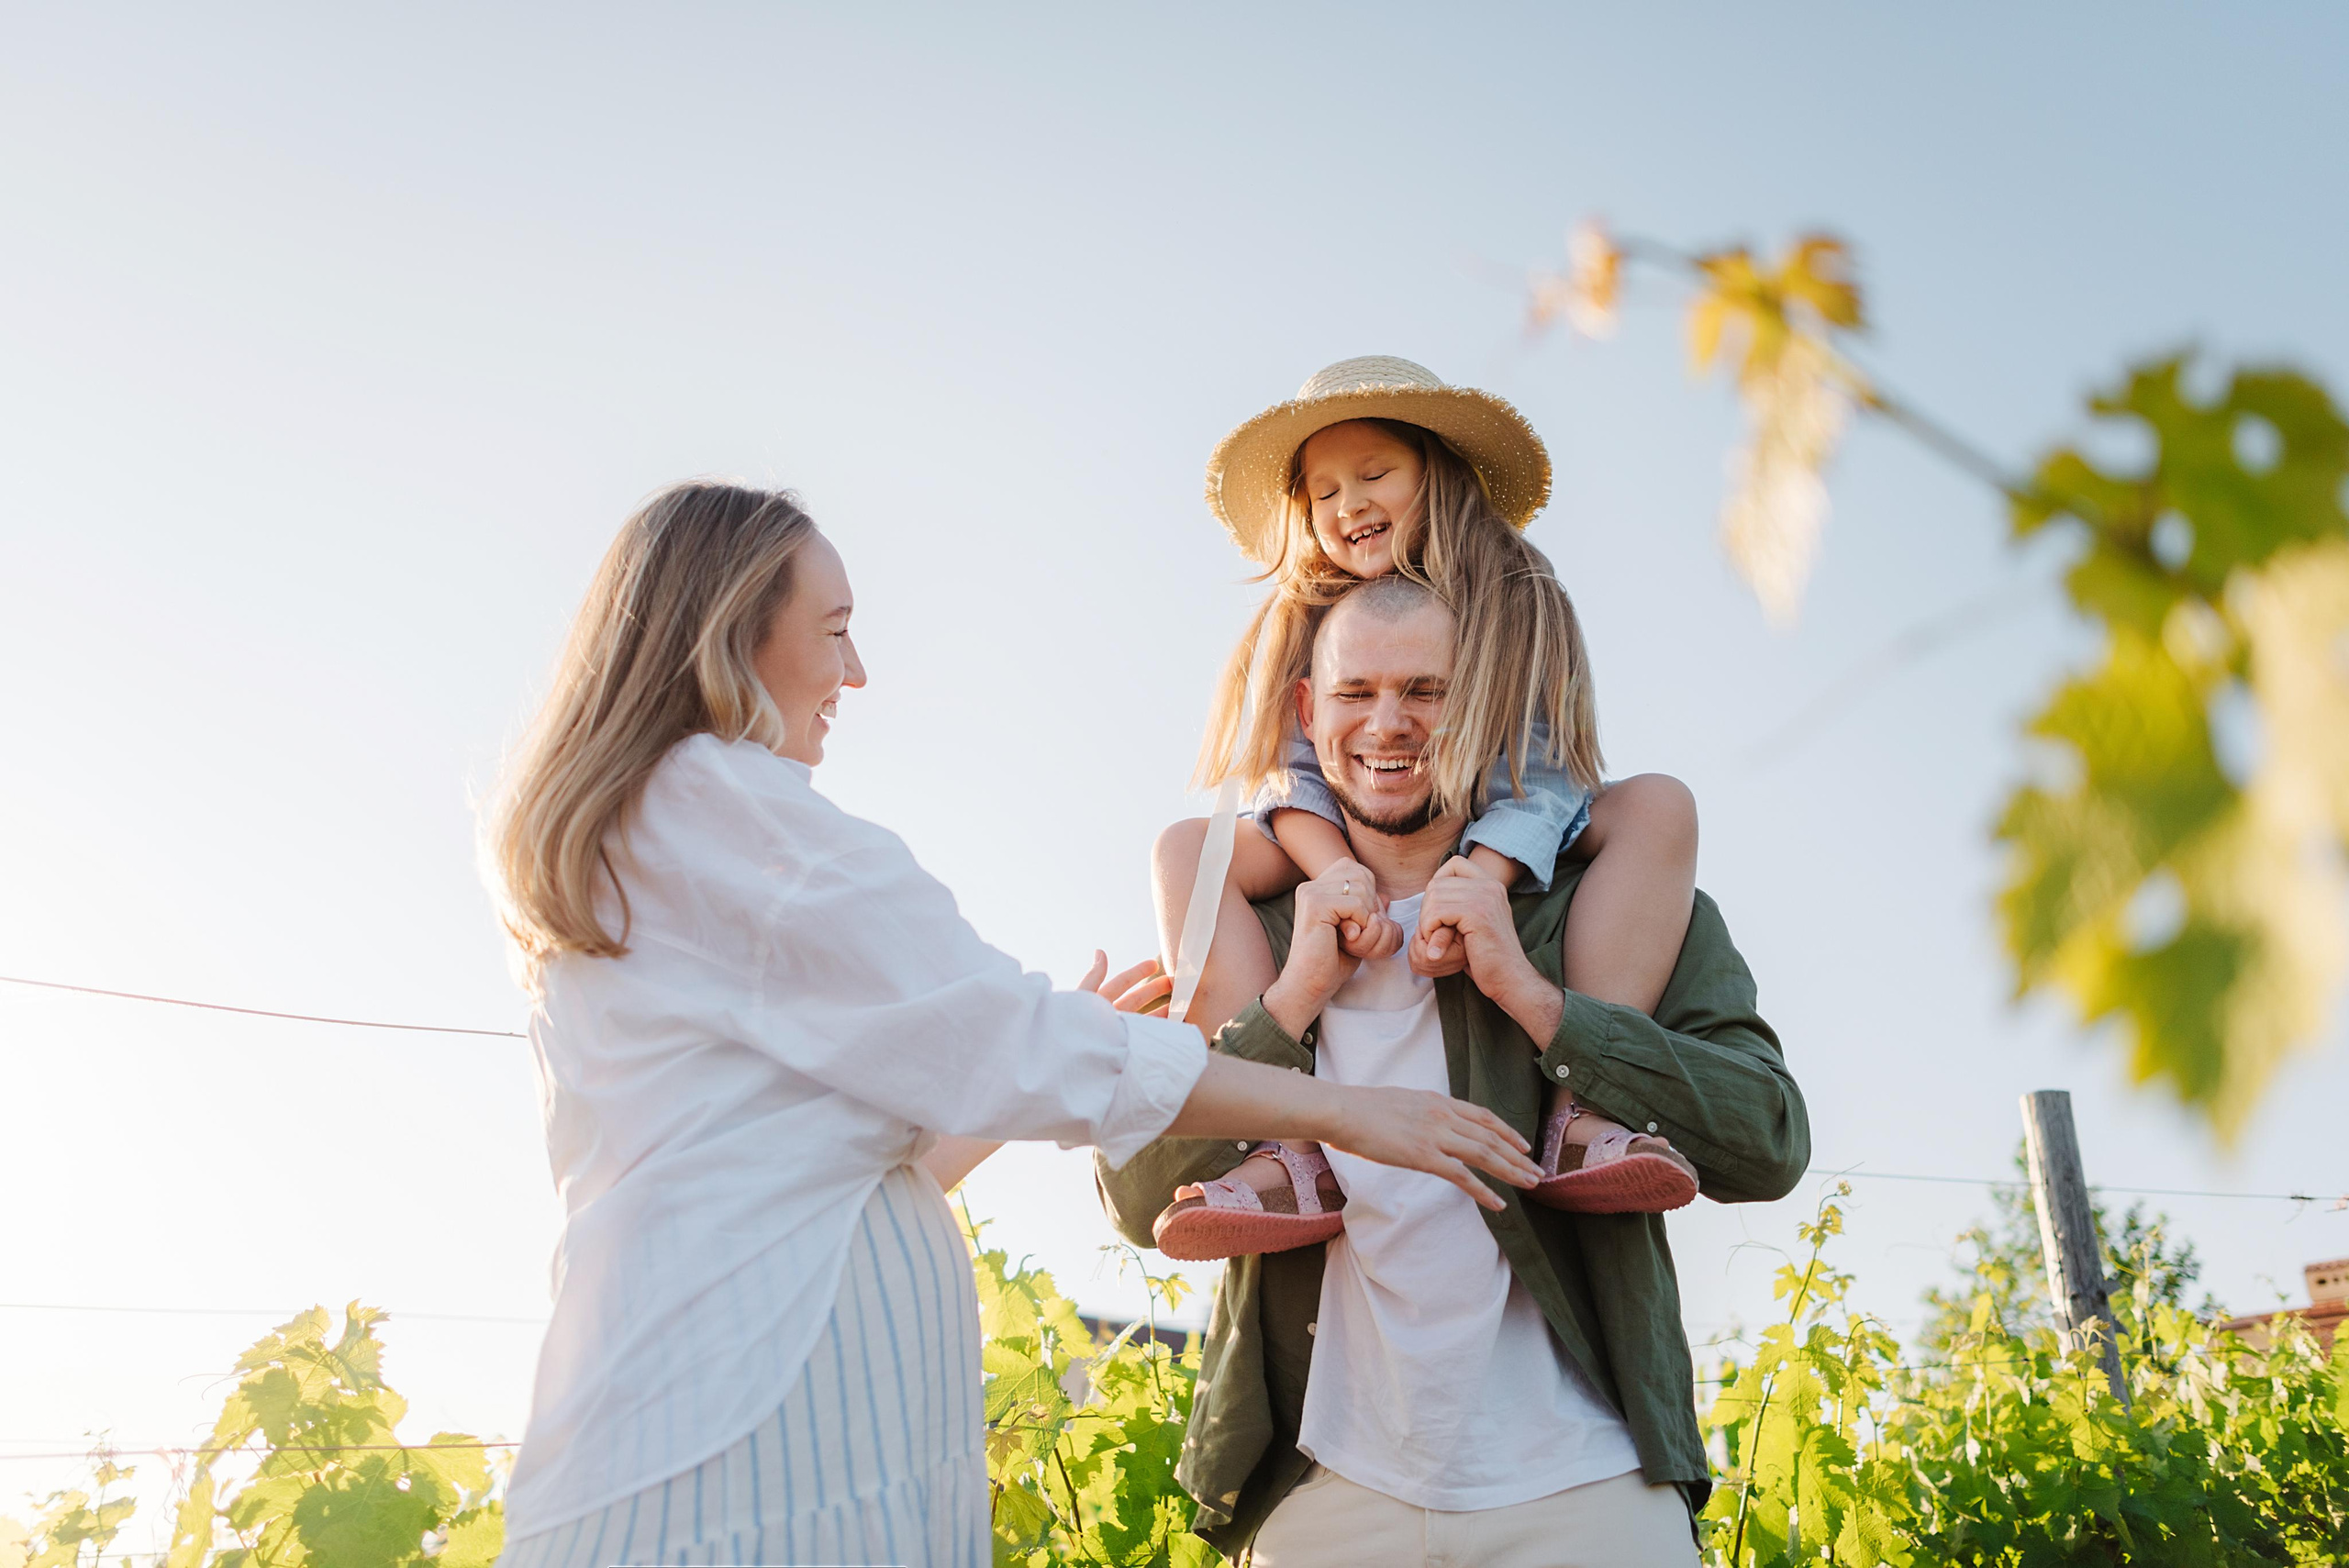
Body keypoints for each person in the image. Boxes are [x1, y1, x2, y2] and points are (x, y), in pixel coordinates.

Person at [482, 482, 1545, 1568]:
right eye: (836, 631)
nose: (856, 673)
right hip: (747, 1455)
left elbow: (833, 1163)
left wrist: (1038, 1052)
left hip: (729, 1441)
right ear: (734, 628)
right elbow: (1016, 1046)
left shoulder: (652, 841)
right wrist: (1355, 1113)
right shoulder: (721, 806)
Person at [1097, 574, 1810, 1565]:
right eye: (1355, 692)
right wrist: (1291, 998)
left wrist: (1538, 998)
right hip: (1322, 1486)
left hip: (1590, 1483)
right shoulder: (1250, 926)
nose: (1387, 724)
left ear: (1483, 702)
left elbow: (1769, 1140)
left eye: (1426, 690)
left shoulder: (1607, 905)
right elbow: (1139, 1197)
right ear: (1310, 709)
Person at [1151, 356, 1704, 1261]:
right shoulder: (1306, 614)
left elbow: (1549, 762)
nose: (1348, 504)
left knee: (1656, 807)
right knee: (1187, 851)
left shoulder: (1517, 594)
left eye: (1375, 475)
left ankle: (1586, 1106)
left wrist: (1479, 874)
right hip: (1343, 826)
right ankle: (1279, 1142)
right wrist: (1333, 868)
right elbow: (1286, 772)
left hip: (1507, 814)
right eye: (1324, 489)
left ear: (1436, 474)